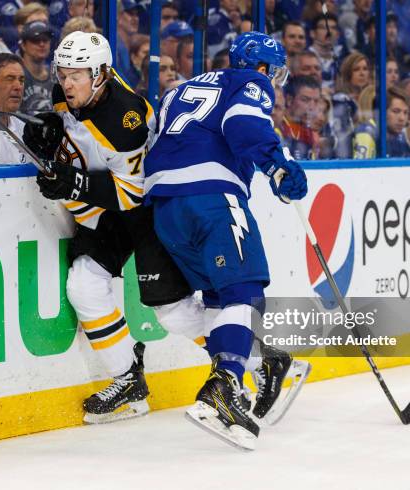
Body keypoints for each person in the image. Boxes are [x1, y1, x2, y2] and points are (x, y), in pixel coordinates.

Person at [22, 31, 308, 428]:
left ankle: (250, 365)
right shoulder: (68, 91)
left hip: (146, 208)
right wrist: (50, 130)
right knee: (91, 287)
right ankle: (137, 380)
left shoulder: (131, 117)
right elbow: (78, 131)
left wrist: (73, 183)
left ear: (101, 73)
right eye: (63, 73)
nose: (67, 82)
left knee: (176, 308)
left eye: (77, 74)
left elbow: (133, 191)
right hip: (139, 207)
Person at [144, 31, 309, 450]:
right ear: (260, 67)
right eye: (272, 71)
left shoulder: (177, 90)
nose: (272, 80)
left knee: (219, 299)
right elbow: (244, 125)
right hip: (211, 196)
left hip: (164, 206)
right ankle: (225, 388)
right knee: (245, 290)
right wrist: (278, 166)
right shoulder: (248, 81)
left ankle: (257, 367)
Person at [282, 74, 321, 160]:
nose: (312, 107)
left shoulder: (312, 133)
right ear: (289, 100)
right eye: (305, 100)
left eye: (316, 101)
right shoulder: (276, 126)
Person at [18, 21, 53, 114]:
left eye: (45, 40)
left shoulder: (56, 76)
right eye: (35, 40)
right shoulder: (16, 76)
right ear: (23, 45)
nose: (42, 44)